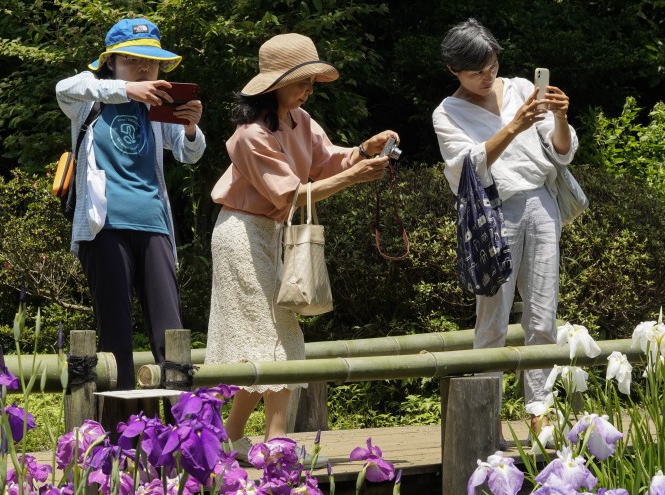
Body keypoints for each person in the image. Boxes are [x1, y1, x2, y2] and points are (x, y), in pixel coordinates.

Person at [207, 33, 398, 453]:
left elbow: (329, 160)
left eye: (311, 82)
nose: (309, 90)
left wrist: (365, 149)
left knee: (272, 336)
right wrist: (353, 176)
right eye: (302, 82)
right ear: (275, 84)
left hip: (275, 234)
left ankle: (233, 438)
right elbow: (291, 195)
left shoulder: (302, 120)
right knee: (273, 336)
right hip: (242, 234)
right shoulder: (249, 135)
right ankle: (275, 442)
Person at [432, 19, 577, 443]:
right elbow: (464, 171)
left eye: (492, 64)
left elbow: (562, 152)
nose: (487, 76)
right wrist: (513, 126)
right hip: (493, 213)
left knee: (543, 313)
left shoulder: (518, 88)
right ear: (453, 71)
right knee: (491, 317)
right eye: (476, 71)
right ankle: (486, 412)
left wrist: (561, 118)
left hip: (542, 203)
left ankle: (540, 412)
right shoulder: (447, 113)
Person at [56, 17, 205, 390]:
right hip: (104, 225)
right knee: (116, 334)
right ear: (111, 62)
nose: (144, 69)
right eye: (133, 60)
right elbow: (64, 88)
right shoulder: (89, 99)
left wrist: (190, 127)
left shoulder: (158, 106)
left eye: (151, 62)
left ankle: (183, 430)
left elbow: (190, 154)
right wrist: (128, 89)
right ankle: (118, 433)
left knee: (170, 332)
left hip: (154, 222)